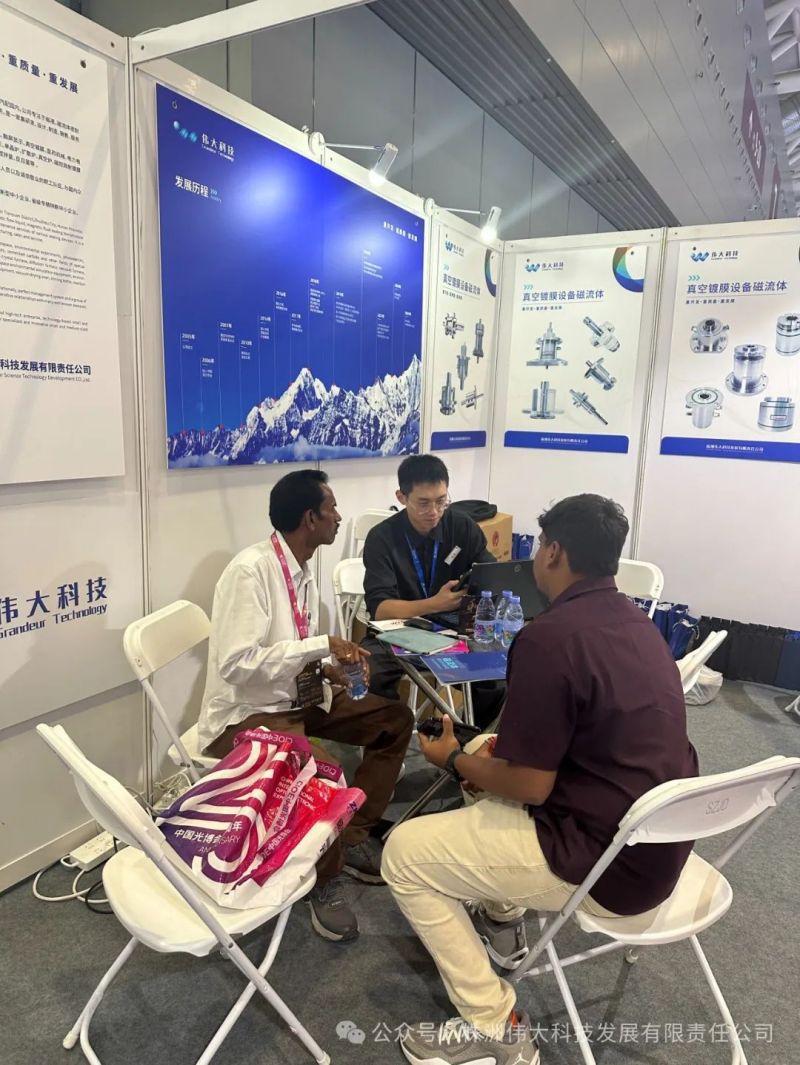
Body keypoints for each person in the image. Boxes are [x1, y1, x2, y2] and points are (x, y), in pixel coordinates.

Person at [381, 494, 699, 1065]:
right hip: (658, 842)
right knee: (481, 749)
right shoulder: (638, 623)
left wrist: (450, 761)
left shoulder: (548, 638)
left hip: (605, 865)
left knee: (403, 854)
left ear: (552, 552)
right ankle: (503, 920)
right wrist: (476, 757)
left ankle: (492, 1024)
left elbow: (531, 786)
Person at [198, 469, 413, 944]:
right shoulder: (250, 571)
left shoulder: (303, 568)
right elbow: (237, 664)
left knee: (394, 720)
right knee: (322, 770)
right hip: (247, 714)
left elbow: (294, 651)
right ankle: (324, 880)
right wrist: (321, 646)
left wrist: (329, 669)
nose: (339, 517)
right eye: (331, 509)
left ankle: (349, 837)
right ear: (309, 518)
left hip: (299, 697)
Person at [361, 453, 503, 727]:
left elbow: (490, 574)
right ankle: (392, 742)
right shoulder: (382, 538)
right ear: (402, 497)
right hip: (395, 631)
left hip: (453, 628)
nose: (434, 512)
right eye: (423, 503)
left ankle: (468, 743)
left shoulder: (462, 526)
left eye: (441, 501)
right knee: (371, 675)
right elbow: (381, 609)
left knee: (495, 678)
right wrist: (435, 603)